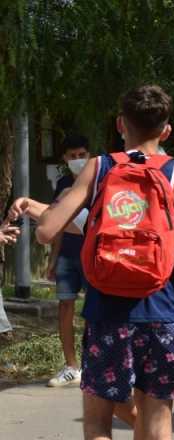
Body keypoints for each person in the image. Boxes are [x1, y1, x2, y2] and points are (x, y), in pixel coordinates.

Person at [35, 85, 174, 440]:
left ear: (121, 125)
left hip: (106, 313)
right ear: (165, 131)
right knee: (156, 426)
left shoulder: (98, 167)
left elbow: (46, 231)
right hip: (162, 313)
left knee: (97, 424)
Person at [9, 134, 89, 388]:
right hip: (67, 253)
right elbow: (57, 222)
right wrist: (53, 259)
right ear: (65, 158)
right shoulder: (64, 183)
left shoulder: (98, 182)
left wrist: (28, 204)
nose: (77, 160)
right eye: (72, 156)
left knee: (94, 310)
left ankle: (93, 363)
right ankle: (71, 365)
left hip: (93, 253)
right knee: (65, 306)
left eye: (82, 155)